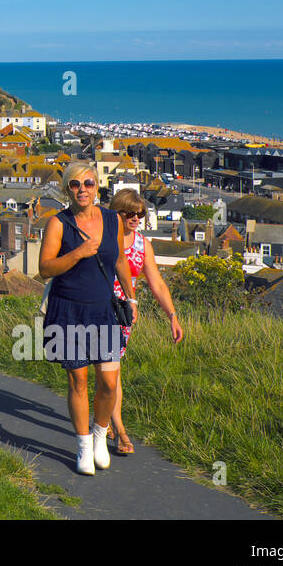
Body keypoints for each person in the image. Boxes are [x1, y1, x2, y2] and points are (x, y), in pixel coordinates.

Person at [39, 161, 137, 476]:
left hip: (103, 310)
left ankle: (99, 434)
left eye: (89, 184)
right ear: (67, 189)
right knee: (78, 380)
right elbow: (45, 269)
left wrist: (131, 296)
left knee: (108, 382)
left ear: (97, 188)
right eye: (75, 185)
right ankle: (83, 445)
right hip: (68, 309)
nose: (83, 190)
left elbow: (120, 260)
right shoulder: (58, 223)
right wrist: (78, 253)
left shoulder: (112, 220)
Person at [106, 189, 184, 455]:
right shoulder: (103, 240)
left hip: (122, 315)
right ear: (116, 212)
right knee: (102, 372)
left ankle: (114, 425)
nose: (135, 218)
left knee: (111, 372)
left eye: (140, 214)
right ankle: (116, 428)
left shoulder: (143, 245)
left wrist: (172, 316)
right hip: (93, 309)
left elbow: (157, 284)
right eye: (129, 212)